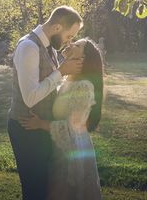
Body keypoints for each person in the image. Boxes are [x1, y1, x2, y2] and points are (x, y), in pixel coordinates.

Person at [8, 6, 84, 200]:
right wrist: (61, 71)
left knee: (45, 189)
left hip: (40, 128)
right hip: (26, 129)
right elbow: (30, 97)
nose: (69, 41)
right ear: (57, 27)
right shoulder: (28, 47)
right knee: (35, 191)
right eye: (69, 36)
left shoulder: (49, 47)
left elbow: (48, 85)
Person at [19, 37, 104, 200]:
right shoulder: (68, 79)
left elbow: (72, 129)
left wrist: (40, 124)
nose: (71, 43)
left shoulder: (83, 87)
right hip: (62, 149)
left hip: (72, 154)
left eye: (77, 45)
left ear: (83, 59)